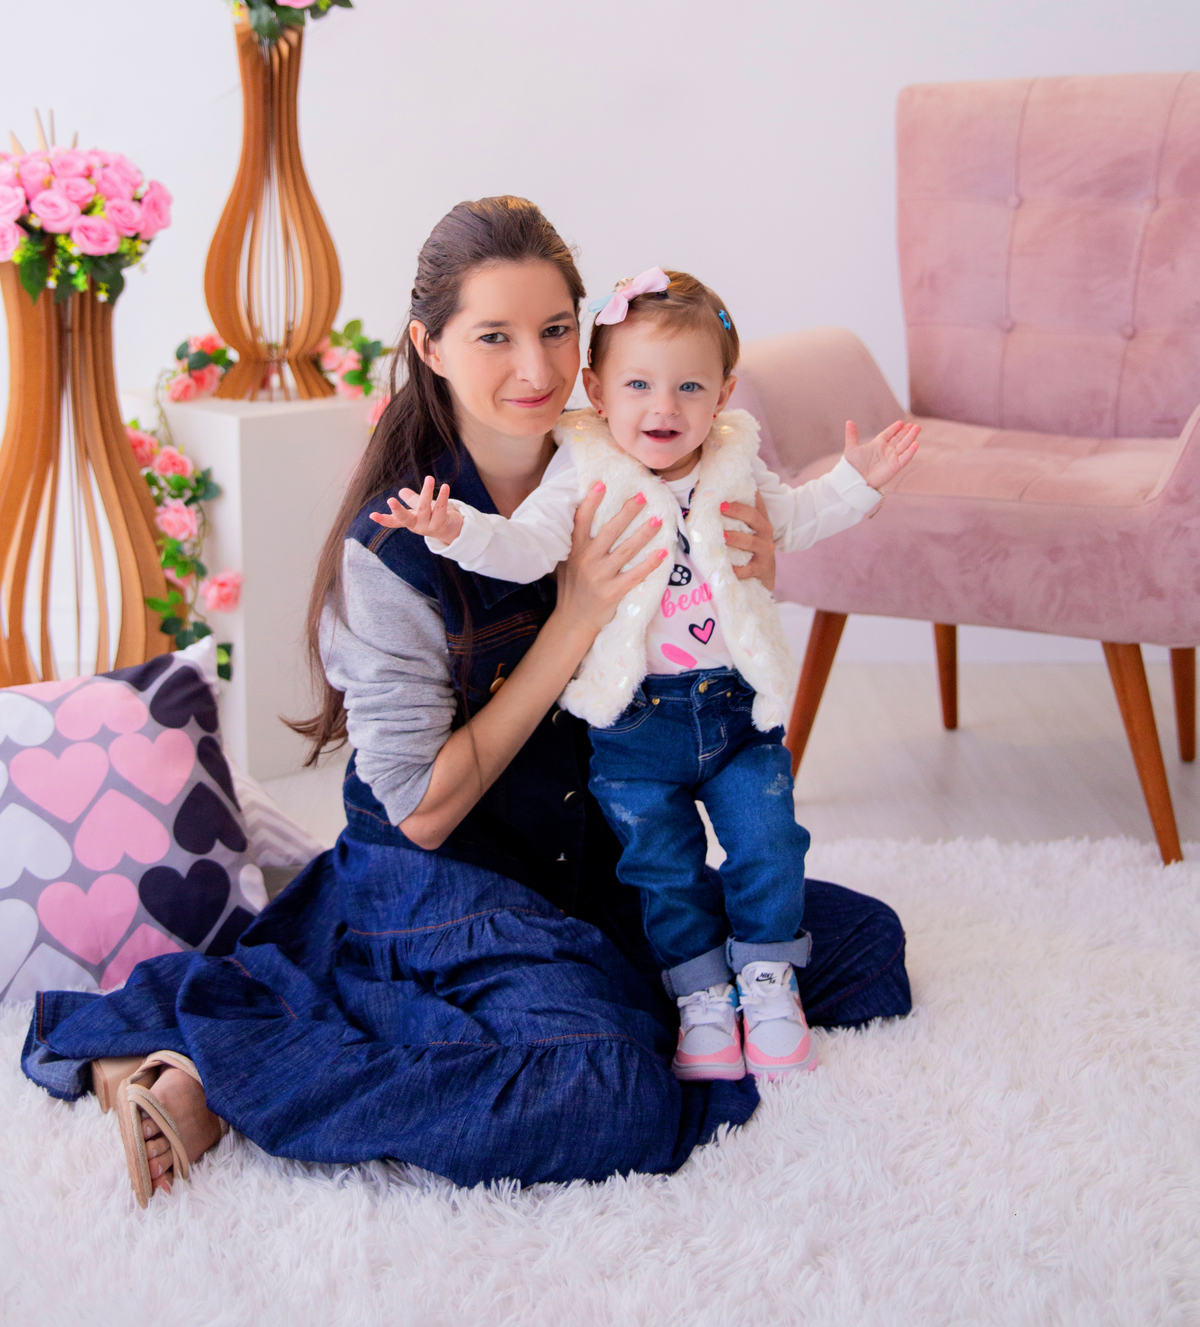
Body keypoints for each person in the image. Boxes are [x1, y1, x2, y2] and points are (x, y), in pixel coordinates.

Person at [21, 198, 911, 1202]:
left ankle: (456, 1003)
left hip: (592, 855)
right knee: (610, 1086)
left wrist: (740, 576)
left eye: (555, 331)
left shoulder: (633, 466)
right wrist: (573, 619)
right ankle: (228, 1071)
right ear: (430, 348)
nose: (532, 369)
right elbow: (424, 809)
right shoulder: (399, 550)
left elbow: (708, 618)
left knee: (861, 950)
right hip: (443, 881)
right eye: (494, 336)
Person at [369, 265, 919, 1084]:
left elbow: (794, 519)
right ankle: (700, 992)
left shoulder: (730, 461)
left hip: (729, 717)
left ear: (725, 394)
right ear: (599, 388)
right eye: (638, 385)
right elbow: (526, 543)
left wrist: (857, 484)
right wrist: (454, 528)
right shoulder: (582, 470)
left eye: (690, 387)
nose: (663, 407)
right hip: (617, 742)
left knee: (789, 865)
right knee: (656, 886)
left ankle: (766, 978)